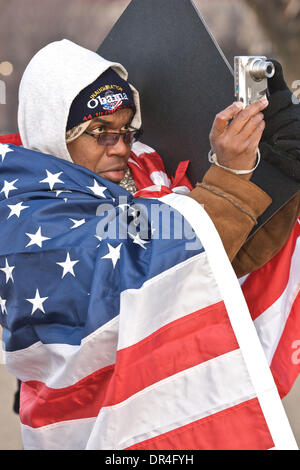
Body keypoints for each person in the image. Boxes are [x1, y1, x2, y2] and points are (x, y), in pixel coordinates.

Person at [0, 39, 299, 449]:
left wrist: (277, 173)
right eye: (100, 133)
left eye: (126, 129)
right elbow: (146, 262)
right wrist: (228, 176)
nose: (121, 147)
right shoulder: (26, 209)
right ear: (54, 132)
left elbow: (209, 263)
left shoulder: (137, 179)